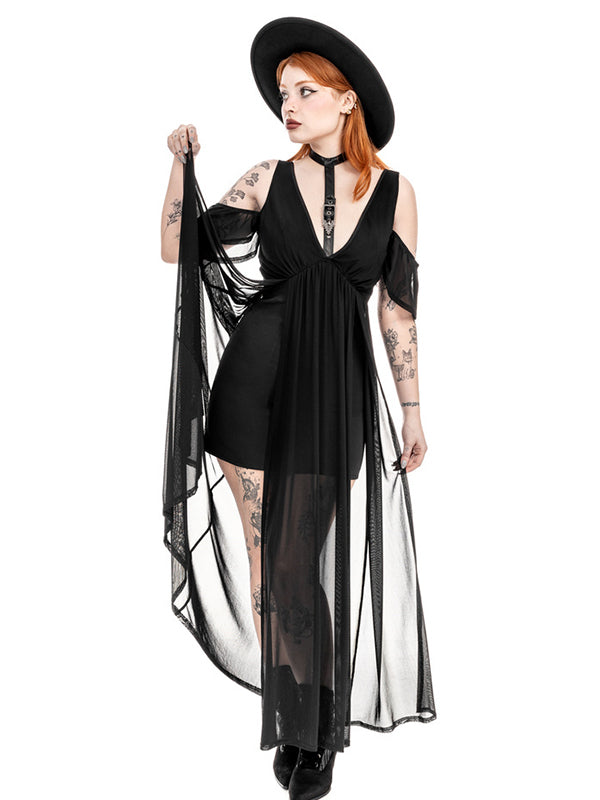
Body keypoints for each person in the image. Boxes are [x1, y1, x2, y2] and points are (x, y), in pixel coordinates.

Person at [160, 16, 436, 800]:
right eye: (283, 93)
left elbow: (397, 311)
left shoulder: (396, 193)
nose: (289, 105)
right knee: (267, 565)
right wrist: (180, 165)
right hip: (254, 381)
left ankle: (316, 717)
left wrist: (413, 410)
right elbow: (180, 248)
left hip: (335, 390)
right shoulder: (264, 178)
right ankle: (300, 721)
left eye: (305, 91)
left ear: (346, 101)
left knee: (296, 562)